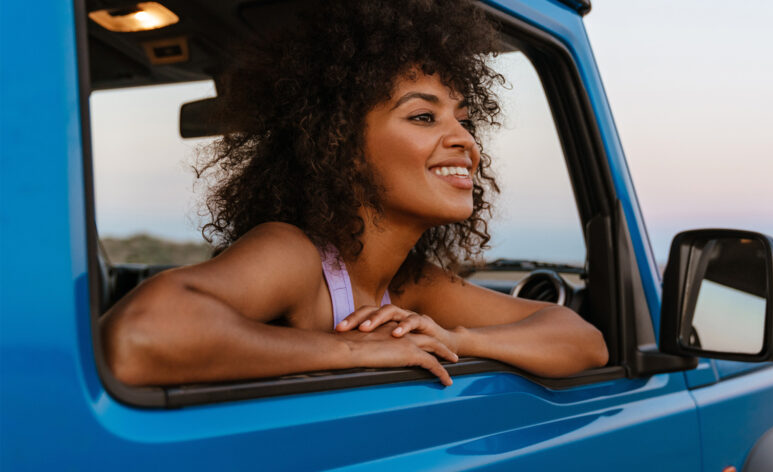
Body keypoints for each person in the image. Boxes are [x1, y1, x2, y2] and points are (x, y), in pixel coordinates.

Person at [99, 0, 608, 387]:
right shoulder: (295, 253)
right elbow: (139, 335)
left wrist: (456, 339)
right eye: (423, 116)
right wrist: (355, 352)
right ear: (342, 145)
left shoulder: (410, 286)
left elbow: (583, 341)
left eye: (465, 120)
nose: (465, 141)